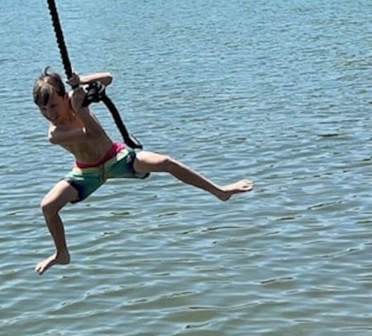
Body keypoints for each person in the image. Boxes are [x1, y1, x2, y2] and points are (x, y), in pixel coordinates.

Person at [32, 67, 253, 275]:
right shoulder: (55, 134)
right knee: (48, 206)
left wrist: (81, 82)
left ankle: (220, 191)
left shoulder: (75, 99)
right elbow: (93, 134)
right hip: (86, 172)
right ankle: (61, 253)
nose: (50, 114)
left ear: (63, 97)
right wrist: (82, 111)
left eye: (53, 106)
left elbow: (108, 78)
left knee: (167, 162)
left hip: (115, 158)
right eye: (43, 109)